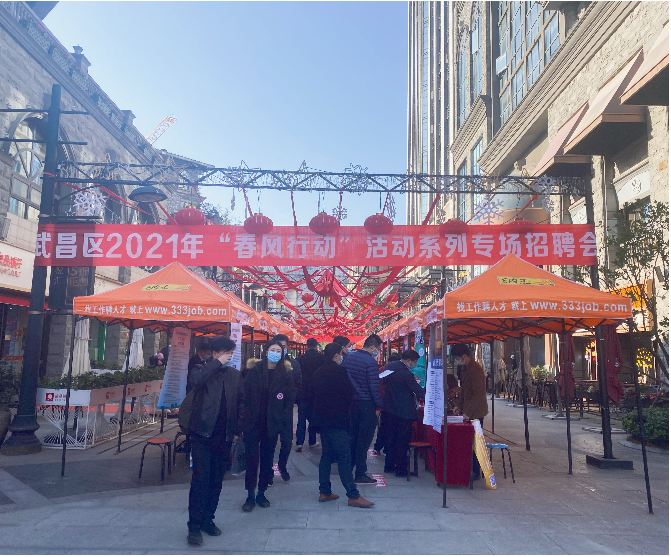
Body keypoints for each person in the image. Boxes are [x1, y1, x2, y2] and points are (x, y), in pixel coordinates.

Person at [185, 337, 241, 546]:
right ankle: (194, 526)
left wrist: (237, 430)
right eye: (227, 353)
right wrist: (216, 363)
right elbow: (195, 381)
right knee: (200, 480)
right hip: (202, 434)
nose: (230, 357)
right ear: (216, 353)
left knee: (217, 480)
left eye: (231, 353)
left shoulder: (234, 375)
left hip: (224, 436)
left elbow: (240, 403)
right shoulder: (201, 369)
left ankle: (208, 519)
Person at [312, 343, 374, 508]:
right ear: (336, 356)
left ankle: (325, 491)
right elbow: (349, 394)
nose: (341, 357)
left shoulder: (318, 372)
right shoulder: (340, 372)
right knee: (344, 457)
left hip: (323, 421)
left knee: (326, 456)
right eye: (340, 354)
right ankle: (353, 495)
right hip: (339, 421)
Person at [239, 340, 296, 512]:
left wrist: (281, 419)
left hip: (272, 424)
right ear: (266, 351)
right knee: (251, 459)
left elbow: (289, 400)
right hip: (253, 422)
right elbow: (243, 395)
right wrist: (244, 417)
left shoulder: (286, 374)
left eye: (279, 351)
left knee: (267, 459)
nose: (275, 353)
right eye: (273, 350)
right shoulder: (254, 370)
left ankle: (262, 492)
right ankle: (250, 494)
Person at [343, 333, 383, 484]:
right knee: (364, 441)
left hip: (351, 404)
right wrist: (378, 405)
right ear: (372, 347)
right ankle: (360, 473)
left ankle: (348, 468)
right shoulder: (370, 362)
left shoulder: (349, 357)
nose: (377, 351)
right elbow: (374, 387)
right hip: (366, 405)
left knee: (352, 438)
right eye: (377, 348)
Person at [381, 349, 425, 476]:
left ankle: (389, 466)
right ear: (409, 361)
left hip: (389, 409)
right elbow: (418, 390)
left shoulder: (390, 367)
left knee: (391, 438)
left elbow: (384, 382)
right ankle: (401, 469)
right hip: (403, 412)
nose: (414, 364)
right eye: (415, 362)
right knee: (402, 441)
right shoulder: (406, 374)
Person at [451, 343, 489, 481]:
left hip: (476, 411)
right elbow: (464, 390)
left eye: (457, 358)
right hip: (467, 409)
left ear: (464, 356)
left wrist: (468, 412)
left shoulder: (476, 369)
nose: (457, 361)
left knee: (475, 442)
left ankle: (476, 470)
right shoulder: (464, 368)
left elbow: (478, 395)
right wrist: (458, 407)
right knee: (468, 441)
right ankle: (469, 467)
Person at [271, 334, 302, 481]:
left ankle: (282, 466)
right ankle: (268, 471)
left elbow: (298, 383)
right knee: (269, 442)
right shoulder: (265, 365)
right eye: (278, 347)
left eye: (283, 347)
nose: (280, 350)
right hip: (269, 411)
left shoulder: (293, 364)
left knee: (287, 442)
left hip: (286, 410)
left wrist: (290, 399)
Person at [295, 338, 324, 451]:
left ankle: (299, 442)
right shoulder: (321, 358)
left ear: (307, 346)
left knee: (301, 418)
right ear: (316, 346)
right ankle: (312, 441)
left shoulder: (300, 359)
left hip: (302, 392)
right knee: (313, 418)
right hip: (316, 393)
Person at [373, 351, 401, 455]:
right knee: (390, 427)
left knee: (383, 426)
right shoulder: (396, 372)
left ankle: (378, 447)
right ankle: (387, 448)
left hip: (382, 401)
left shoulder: (381, 370)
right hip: (392, 403)